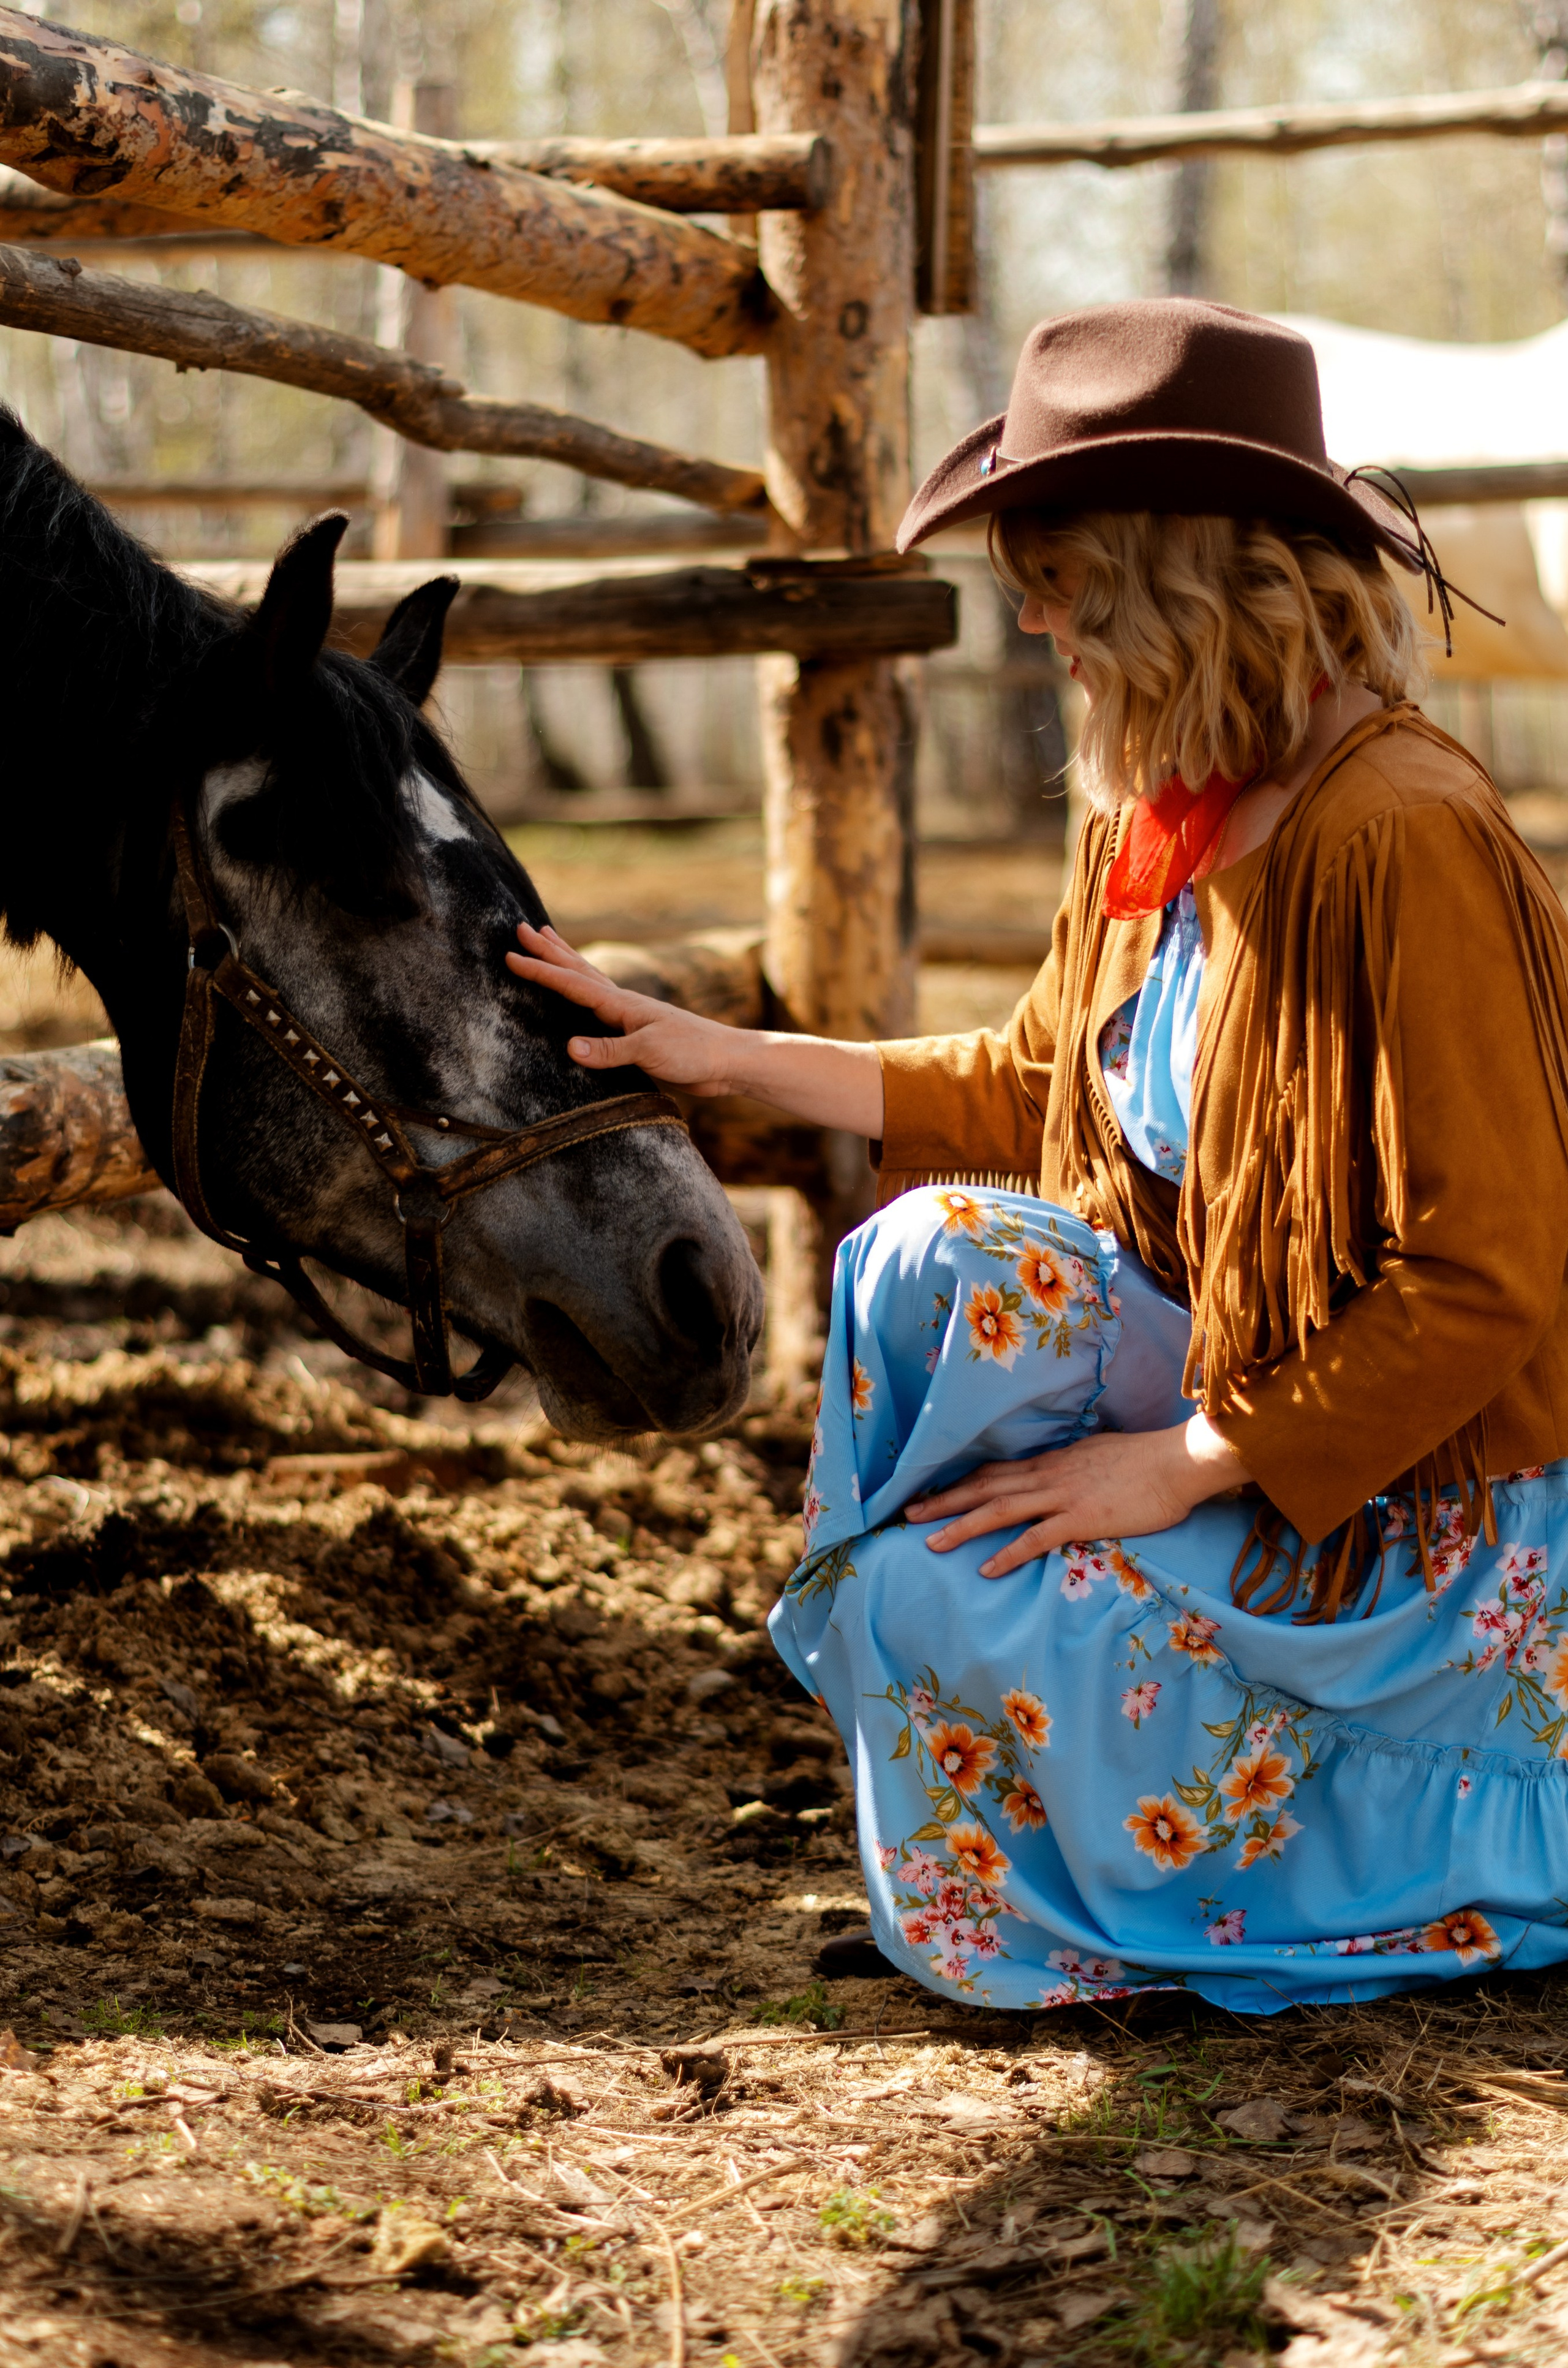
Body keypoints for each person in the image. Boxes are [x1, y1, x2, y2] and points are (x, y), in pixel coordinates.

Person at [506, 298, 1568, 2014]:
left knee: (932, 1604)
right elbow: (1032, 1086)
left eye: (1058, 570)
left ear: (1177, 576)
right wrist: (715, 1053)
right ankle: (1037, 1747)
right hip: (1260, 1394)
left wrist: (1192, 1462)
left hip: (1435, 1507)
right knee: (923, 1265)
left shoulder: (1406, 838)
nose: (1031, 615)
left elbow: (1488, 1272)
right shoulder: (1165, 814)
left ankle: (1294, 1849)